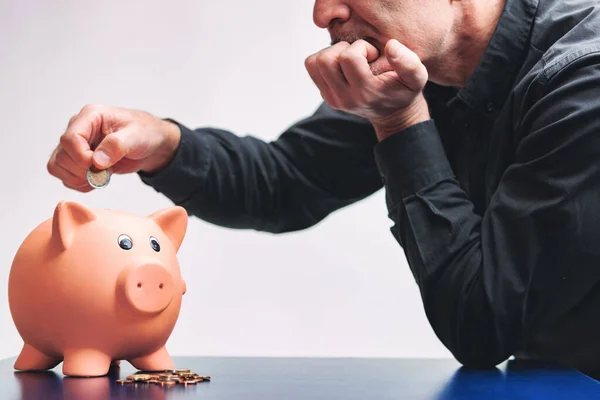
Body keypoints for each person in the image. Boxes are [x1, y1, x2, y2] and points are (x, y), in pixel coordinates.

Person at [47, 0, 600, 375]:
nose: (322, 13)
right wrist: (163, 143)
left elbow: (482, 325)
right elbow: (288, 180)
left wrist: (399, 121)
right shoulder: (415, 73)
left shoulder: (585, 81)